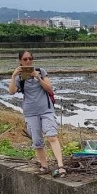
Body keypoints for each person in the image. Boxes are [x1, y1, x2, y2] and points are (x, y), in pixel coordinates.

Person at [8, 50, 66, 178]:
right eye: (25, 59)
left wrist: (38, 77)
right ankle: (44, 166)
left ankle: (61, 166)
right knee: (37, 141)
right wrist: (13, 76)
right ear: (20, 61)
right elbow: (12, 91)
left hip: (46, 110)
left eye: (30, 58)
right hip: (31, 112)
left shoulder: (41, 71)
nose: (28, 61)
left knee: (52, 136)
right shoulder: (19, 77)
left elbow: (50, 89)